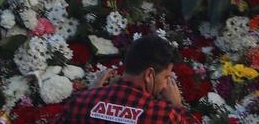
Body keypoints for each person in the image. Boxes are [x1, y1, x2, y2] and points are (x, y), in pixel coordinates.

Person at [56, 33, 192, 124]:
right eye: (166, 77)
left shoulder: (79, 102)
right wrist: (178, 107)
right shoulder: (164, 115)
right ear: (149, 75)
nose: (165, 86)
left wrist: (90, 95)